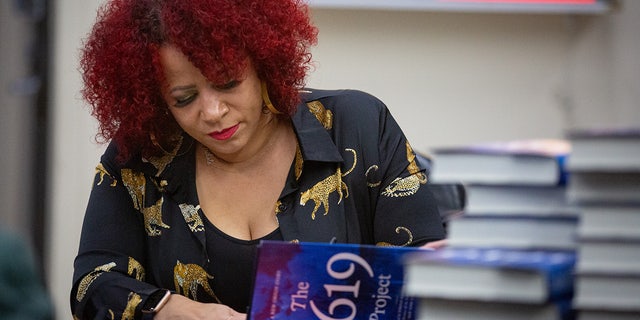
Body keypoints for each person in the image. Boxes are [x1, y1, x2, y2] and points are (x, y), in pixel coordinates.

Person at [70, 0, 446, 319]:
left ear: (263, 62)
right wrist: (169, 308)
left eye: (228, 82)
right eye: (184, 99)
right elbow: (93, 283)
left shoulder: (357, 126)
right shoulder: (140, 158)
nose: (213, 111)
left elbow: (424, 280)